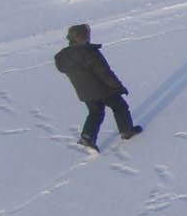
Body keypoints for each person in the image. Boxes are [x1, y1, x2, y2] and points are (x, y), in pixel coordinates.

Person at [54, 24, 141, 153]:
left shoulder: (64, 57)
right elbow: (105, 73)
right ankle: (127, 131)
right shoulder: (90, 52)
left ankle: (87, 137)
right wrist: (118, 87)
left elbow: (63, 69)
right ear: (83, 37)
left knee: (95, 113)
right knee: (120, 107)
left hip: (84, 92)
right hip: (103, 89)